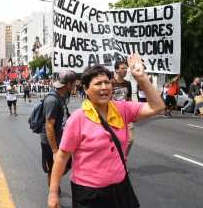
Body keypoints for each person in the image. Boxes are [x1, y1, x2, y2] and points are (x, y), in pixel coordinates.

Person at [48, 54, 164, 208]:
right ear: (86, 89)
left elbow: (157, 107)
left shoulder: (123, 108)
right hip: (89, 193)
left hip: (120, 188)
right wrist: (53, 193)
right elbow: (62, 158)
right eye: (97, 84)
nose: (104, 87)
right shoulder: (77, 119)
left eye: (106, 82)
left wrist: (141, 78)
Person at [41, 70, 76, 196]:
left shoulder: (63, 96)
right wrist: (55, 151)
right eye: (74, 84)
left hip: (62, 139)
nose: (75, 86)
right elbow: (49, 127)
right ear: (68, 85)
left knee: (67, 166)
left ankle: (55, 182)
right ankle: (53, 193)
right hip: (51, 142)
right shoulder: (52, 100)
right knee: (52, 170)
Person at [111, 60, 134, 157]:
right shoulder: (110, 83)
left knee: (130, 140)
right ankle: (114, 160)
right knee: (113, 141)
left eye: (126, 68)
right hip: (112, 116)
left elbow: (129, 99)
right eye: (123, 68)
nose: (125, 70)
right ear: (117, 70)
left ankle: (122, 160)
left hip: (126, 115)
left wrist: (133, 111)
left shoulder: (128, 84)